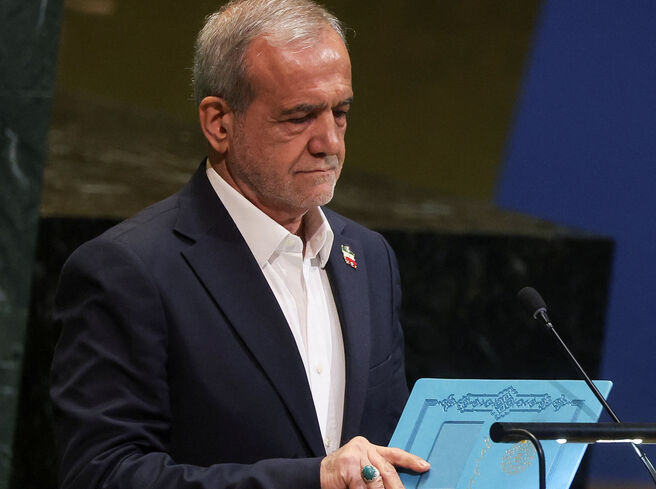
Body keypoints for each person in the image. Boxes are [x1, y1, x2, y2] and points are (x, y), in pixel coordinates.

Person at [49, 1, 429, 488]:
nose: (329, 142)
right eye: (300, 117)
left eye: (341, 112)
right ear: (219, 123)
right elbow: (102, 475)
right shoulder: (128, 271)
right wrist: (313, 480)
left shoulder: (368, 258)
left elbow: (389, 443)